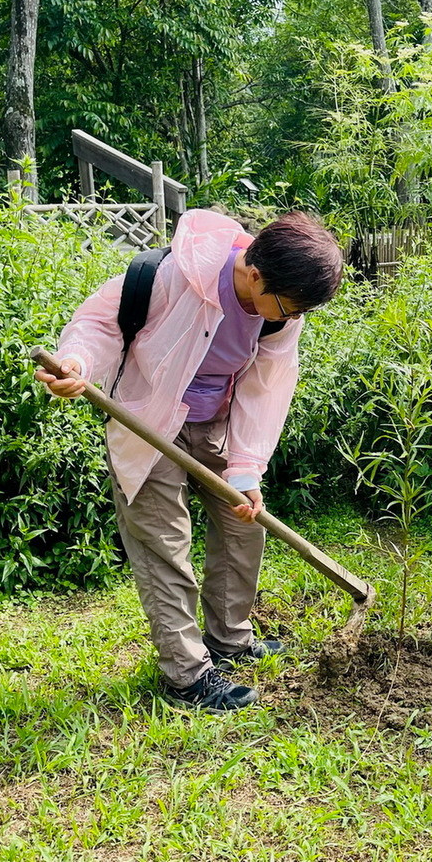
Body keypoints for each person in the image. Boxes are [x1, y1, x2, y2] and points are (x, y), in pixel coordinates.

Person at [36, 209, 343, 712]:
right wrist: (78, 363)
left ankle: (230, 640)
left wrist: (245, 468)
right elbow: (99, 324)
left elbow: (267, 388)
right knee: (163, 540)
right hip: (148, 417)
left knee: (244, 522)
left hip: (214, 422)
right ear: (255, 273)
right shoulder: (174, 274)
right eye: (285, 307)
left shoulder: (282, 313)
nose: (288, 319)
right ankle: (187, 675)